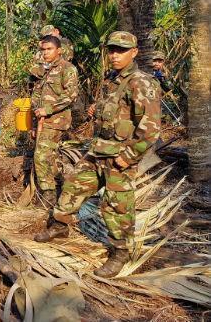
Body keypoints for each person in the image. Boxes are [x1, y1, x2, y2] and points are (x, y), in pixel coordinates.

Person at [34, 31, 161, 278]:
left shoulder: (140, 82)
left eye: (121, 50)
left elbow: (151, 128)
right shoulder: (112, 80)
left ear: (134, 52)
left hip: (119, 157)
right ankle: (60, 226)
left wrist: (129, 156)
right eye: (112, 50)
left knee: (116, 206)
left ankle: (120, 253)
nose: (115, 55)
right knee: (73, 186)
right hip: (99, 151)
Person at [30, 35, 79, 204]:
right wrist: (34, 121)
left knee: (41, 156)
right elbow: (36, 95)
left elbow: (71, 95)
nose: (45, 53)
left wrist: (48, 109)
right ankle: (65, 185)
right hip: (42, 121)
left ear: (59, 50)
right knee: (50, 157)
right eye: (43, 49)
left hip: (57, 121)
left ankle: (48, 194)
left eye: (49, 49)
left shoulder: (67, 68)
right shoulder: (44, 70)